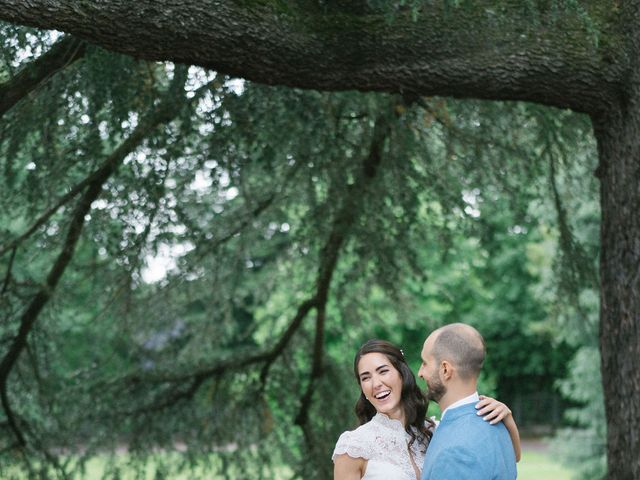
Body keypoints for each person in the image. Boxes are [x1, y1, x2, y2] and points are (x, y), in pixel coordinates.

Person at [332, 339, 521, 480]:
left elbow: (509, 457)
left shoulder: (433, 431)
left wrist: (507, 418)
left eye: (383, 371)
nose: (376, 384)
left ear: (402, 374)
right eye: (365, 378)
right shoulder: (353, 446)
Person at [418, 323, 518, 480]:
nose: (420, 372)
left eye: (425, 363)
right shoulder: (498, 424)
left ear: (445, 370)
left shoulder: (454, 451)